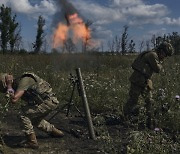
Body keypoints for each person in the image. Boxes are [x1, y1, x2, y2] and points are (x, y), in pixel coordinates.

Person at [4, 72, 64, 149]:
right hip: (47, 102)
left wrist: (9, 86)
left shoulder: (24, 80)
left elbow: (14, 100)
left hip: (48, 102)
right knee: (35, 119)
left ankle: (32, 142)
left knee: (22, 114)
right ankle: (56, 132)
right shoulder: (20, 83)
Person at [123, 41, 174, 129]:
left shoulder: (154, 55)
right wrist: (160, 63)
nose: (164, 57)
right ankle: (125, 118)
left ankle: (150, 121)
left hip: (145, 81)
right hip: (138, 80)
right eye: (165, 55)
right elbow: (157, 69)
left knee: (149, 101)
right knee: (133, 100)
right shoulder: (152, 55)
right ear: (161, 51)